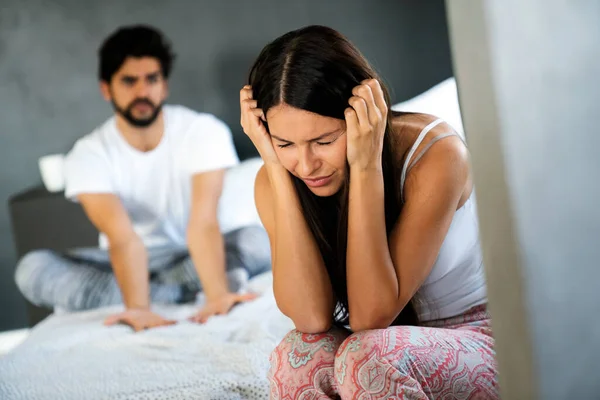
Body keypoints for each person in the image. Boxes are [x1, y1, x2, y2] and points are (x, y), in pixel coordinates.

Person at [240, 25, 498, 399]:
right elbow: (312, 317)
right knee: (296, 357)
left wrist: (364, 166)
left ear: (364, 115)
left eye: (324, 141)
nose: (307, 164)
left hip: (482, 337)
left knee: (367, 359)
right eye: (285, 143)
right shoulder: (279, 173)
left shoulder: (437, 155)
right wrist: (276, 170)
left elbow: (369, 316)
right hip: (386, 347)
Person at [15, 25, 271, 332]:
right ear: (106, 89)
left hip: (189, 253)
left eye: (151, 79)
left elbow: (203, 222)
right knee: (32, 269)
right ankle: (175, 294)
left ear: (164, 86)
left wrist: (217, 296)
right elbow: (123, 238)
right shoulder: (88, 154)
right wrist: (138, 309)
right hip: (126, 261)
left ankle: (176, 290)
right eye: (129, 81)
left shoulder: (203, 131)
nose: (142, 92)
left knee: (259, 241)